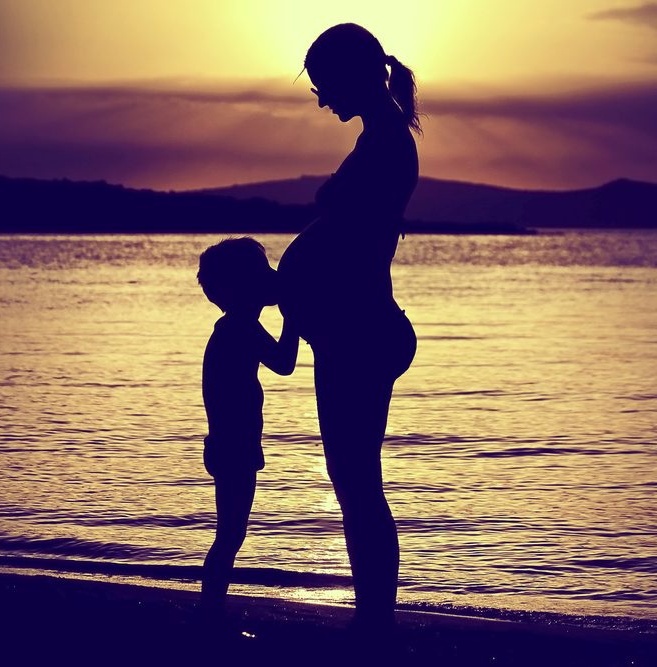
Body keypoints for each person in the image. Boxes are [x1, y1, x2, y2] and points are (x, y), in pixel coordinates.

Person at [278, 23, 421, 630]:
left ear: (350, 74)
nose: (320, 100)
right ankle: (372, 620)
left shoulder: (385, 142)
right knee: (353, 481)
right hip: (349, 330)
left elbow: (354, 240)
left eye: (323, 86)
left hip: (359, 332)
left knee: (358, 485)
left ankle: (374, 624)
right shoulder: (379, 137)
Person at [197, 237, 298, 617]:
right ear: (244, 286)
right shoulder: (241, 329)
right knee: (229, 535)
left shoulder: (235, 327)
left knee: (230, 534)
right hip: (234, 447)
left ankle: (211, 609)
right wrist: (293, 315)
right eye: (262, 272)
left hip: (229, 445)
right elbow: (285, 363)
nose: (271, 277)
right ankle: (209, 612)